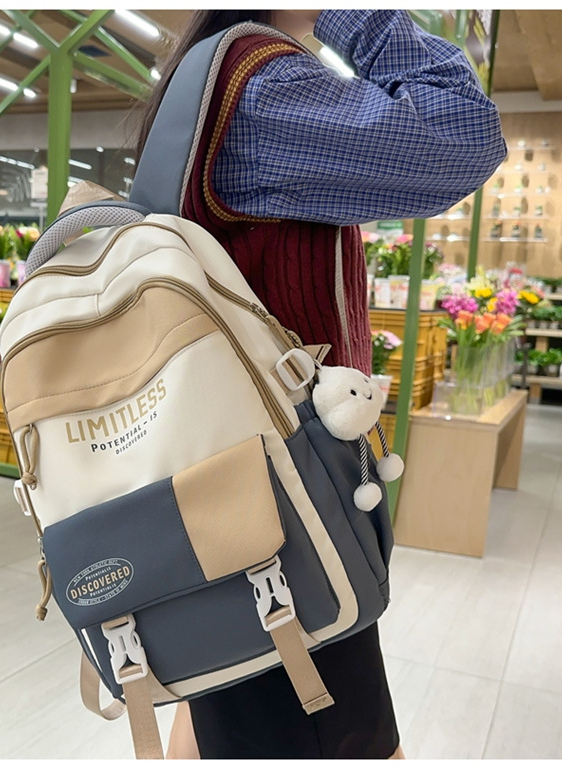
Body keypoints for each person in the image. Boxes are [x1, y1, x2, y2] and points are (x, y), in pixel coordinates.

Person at [135, 9, 506, 760]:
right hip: (284, 497)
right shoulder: (262, 84)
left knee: (230, 688)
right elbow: (463, 133)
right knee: (335, 728)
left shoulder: (207, 78)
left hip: (229, 477)